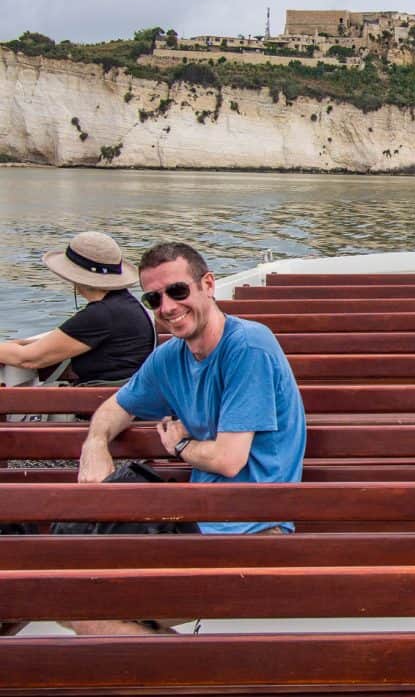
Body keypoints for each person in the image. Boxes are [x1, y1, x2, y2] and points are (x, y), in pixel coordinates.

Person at [72, 241, 306, 635]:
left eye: (177, 291)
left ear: (208, 285)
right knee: (53, 586)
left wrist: (180, 445)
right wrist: (95, 444)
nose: (167, 307)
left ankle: (184, 675)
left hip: (253, 530)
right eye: (153, 298)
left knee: (80, 608)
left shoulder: (248, 346)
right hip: (197, 525)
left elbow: (229, 460)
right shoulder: (170, 357)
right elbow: (115, 408)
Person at [0, 231, 154, 384]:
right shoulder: (127, 305)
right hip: (121, 395)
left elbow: (28, 359)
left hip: (98, 402)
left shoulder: (100, 315)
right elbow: (61, 340)